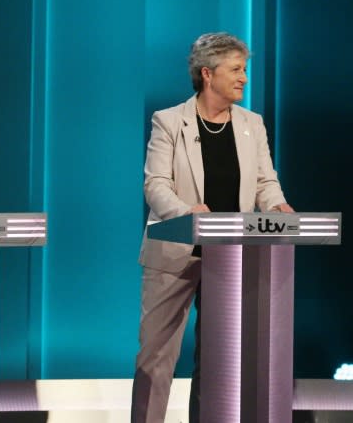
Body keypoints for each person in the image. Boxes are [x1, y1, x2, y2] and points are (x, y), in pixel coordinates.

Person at [130, 32, 293, 423]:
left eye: (245, 69)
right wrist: (188, 213)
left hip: (231, 257)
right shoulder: (169, 121)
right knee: (156, 358)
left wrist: (278, 206)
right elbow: (155, 184)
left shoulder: (252, 124)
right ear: (208, 73)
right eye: (236, 70)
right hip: (174, 253)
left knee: (220, 361)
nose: (244, 78)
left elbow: (265, 182)